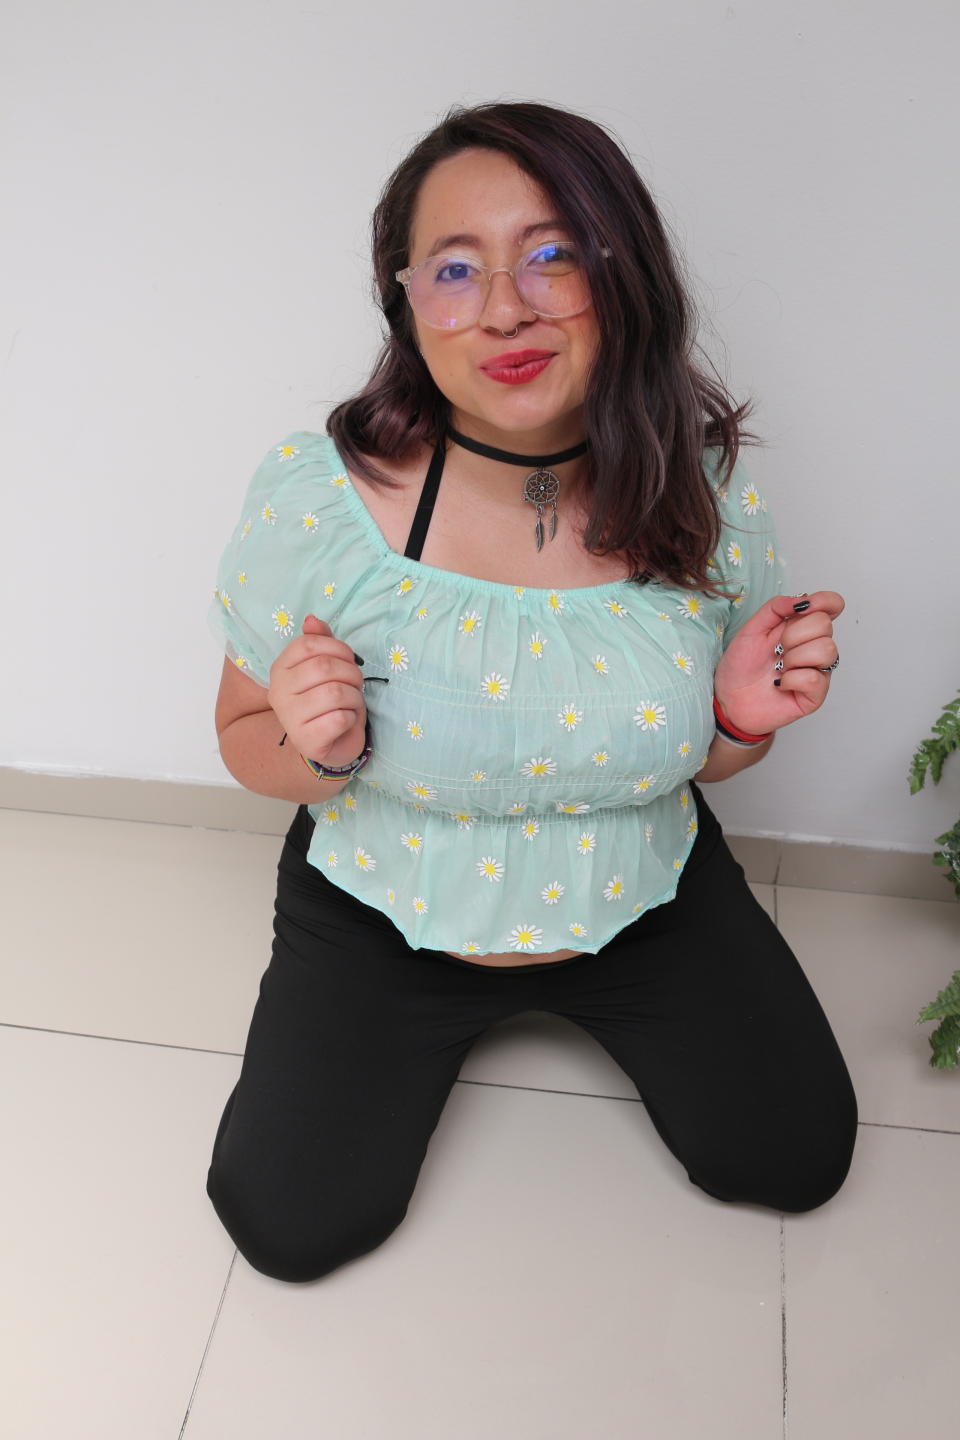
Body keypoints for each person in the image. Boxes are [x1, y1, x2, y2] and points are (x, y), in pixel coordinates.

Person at [205, 101, 857, 1284]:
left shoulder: (704, 492)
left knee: (794, 1157)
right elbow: (245, 734)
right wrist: (319, 750)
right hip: (387, 908)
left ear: (624, 272)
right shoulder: (321, 501)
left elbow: (714, 756)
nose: (505, 307)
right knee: (288, 1225)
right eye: (456, 269)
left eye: (553, 254)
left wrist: (736, 724)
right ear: (407, 301)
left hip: (642, 887)